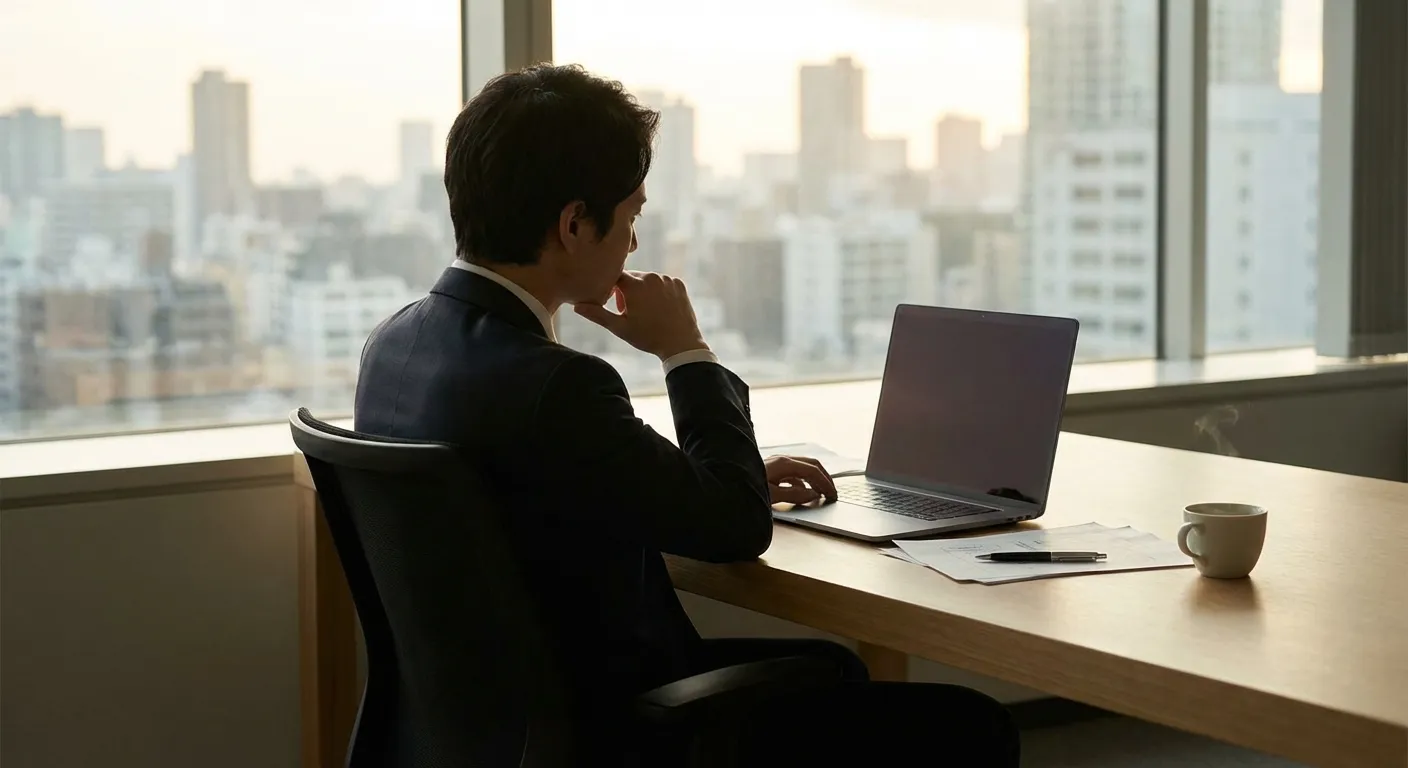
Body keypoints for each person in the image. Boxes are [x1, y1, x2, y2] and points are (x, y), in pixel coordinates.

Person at [354, 63, 1019, 766]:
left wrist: (714, 477)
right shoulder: (559, 386)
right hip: (607, 725)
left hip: (486, 722)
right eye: (632, 216)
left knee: (832, 671)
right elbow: (735, 527)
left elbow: (550, 490)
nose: (634, 245)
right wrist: (685, 351)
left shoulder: (393, 345)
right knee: (966, 726)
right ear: (575, 224)